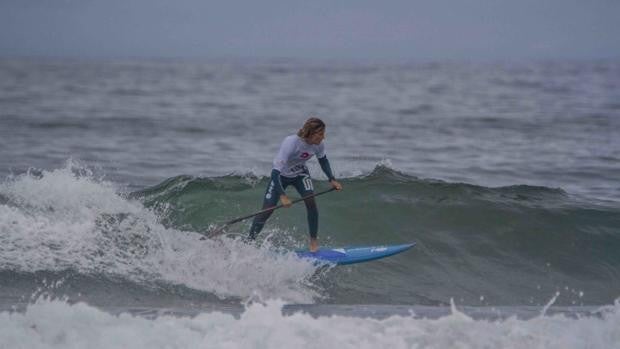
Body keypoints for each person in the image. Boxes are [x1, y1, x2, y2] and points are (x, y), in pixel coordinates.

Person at [247, 117, 342, 252]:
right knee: (266, 211)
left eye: (323, 133)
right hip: (281, 176)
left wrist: (332, 179)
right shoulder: (291, 143)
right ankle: (249, 242)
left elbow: (323, 160)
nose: (323, 137)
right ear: (311, 133)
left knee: (311, 202)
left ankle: (313, 242)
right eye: (320, 134)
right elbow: (275, 173)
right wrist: (283, 196)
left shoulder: (318, 144)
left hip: (300, 174)